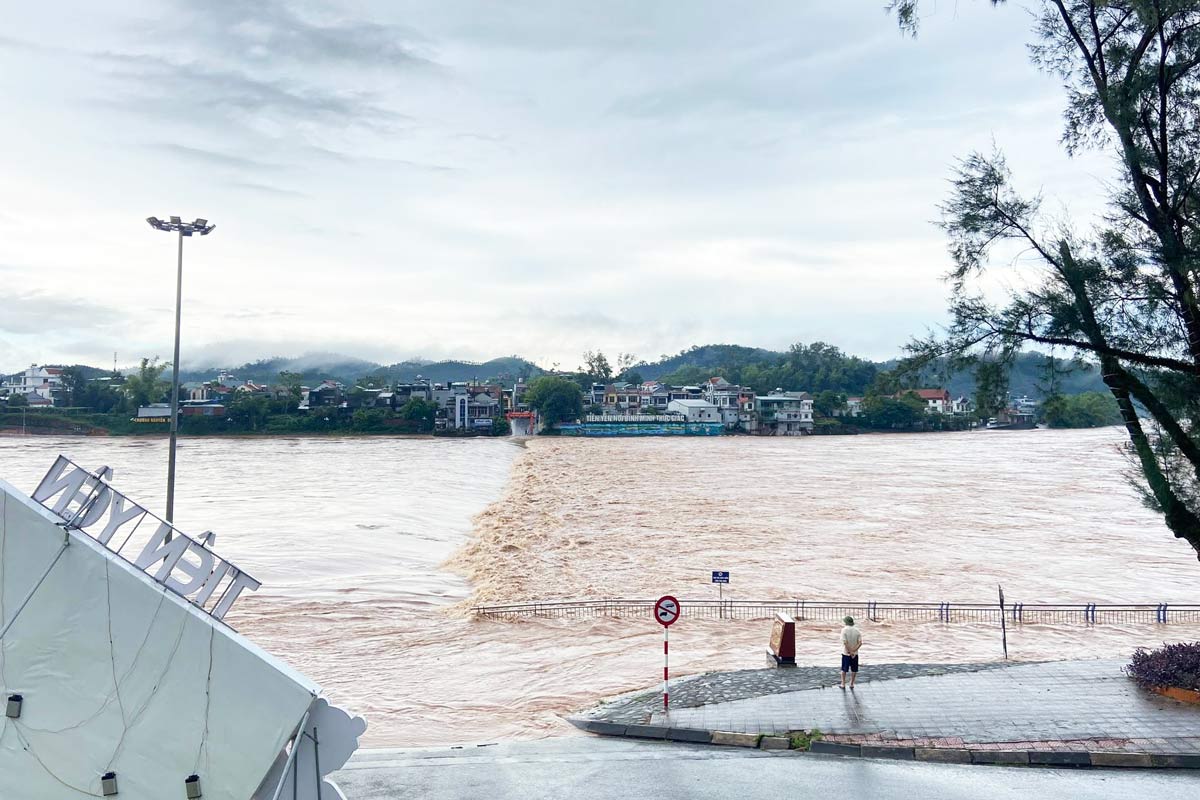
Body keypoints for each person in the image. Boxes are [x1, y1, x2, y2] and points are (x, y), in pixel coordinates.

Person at [839, 615, 862, 689]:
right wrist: (853, 651)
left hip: (846, 653)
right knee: (854, 669)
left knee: (844, 669)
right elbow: (860, 643)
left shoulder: (844, 630)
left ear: (845, 622)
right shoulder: (857, 630)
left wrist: (850, 651)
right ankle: (852, 683)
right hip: (855, 654)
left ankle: (843, 684)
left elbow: (845, 643)